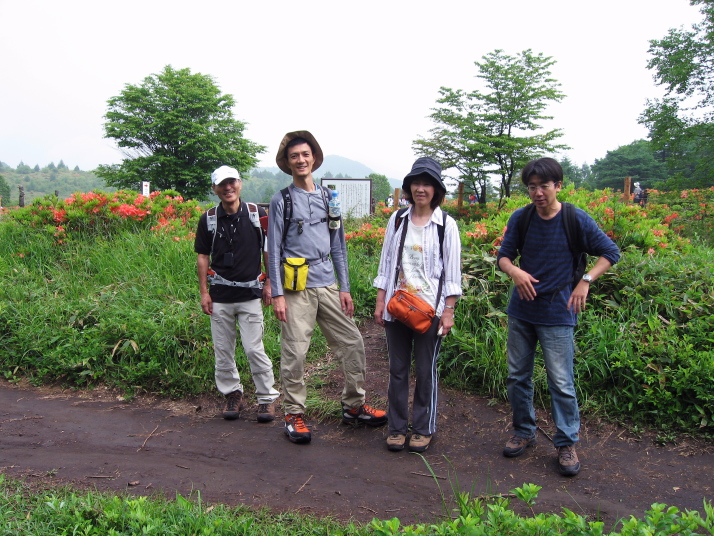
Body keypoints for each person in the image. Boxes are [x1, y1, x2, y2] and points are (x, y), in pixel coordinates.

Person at [497, 157, 620, 476]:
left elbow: (610, 253)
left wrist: (585, 281)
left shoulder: (575, 219)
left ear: (558, 186)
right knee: (517, 375)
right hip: (522, 310)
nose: (537, 192)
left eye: (544, 186)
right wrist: (515, 272)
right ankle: (524, 431)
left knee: (561, 381)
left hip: (558, 311)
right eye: (532, 187)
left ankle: (566, 442)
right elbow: (504, 256)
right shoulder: (521, 218)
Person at [267, 130, 387, 444]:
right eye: (294, 156)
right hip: (296, 289)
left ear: (314, 158)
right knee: (295, 352)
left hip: (328, 284)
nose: (301, 160)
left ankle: (353, 406)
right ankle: (293, 414)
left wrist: (344, 288)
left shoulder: (328, 197)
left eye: (305, 154)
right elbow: (273, 249)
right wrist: (277, 293)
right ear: (288, 163)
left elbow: (338, 247)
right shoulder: (282, 200)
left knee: (353, 343)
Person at [373, 157, 462, 453]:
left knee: (426, 370)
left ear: (436, 190)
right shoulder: (398, 219)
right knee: (397, 369)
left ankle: (423, 428)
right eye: (416, 183)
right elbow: (386, 263)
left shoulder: (445, 225)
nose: (421, 189)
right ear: (409, 187)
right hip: (398, 307)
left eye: (427, 184)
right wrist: (380, 300)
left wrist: (448, 311)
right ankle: (397, 428)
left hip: (430, 311)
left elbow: (452, 272)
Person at [195, 165, 280, 422]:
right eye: (222, 184)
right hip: (219, 295)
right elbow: (202, 257)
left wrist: (269, 285)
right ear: (215, 189)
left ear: (239, 184)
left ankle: (266, 399)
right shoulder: (208, 218)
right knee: (223, 350)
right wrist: (203, 293)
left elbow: (268, 251)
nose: (228, 187)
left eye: (232, 182)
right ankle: (232, 394)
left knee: (254, 349)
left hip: (251, 294)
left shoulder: (257, 213)